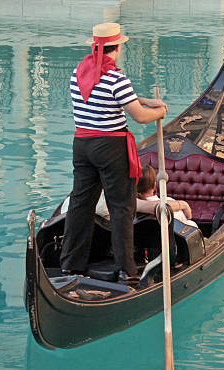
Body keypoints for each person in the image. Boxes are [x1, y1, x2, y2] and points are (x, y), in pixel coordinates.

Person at [60, 22, 167, 283]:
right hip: (110, 148)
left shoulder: (80, 72)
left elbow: (112, 97)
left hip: (83, 146)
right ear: (116, 48)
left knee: (81, 204)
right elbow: (140, 117)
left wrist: (142, 98)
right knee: (122, 206)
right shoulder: (116, 78)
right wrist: (159, 111)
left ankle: (70, 265)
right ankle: (126, 271)